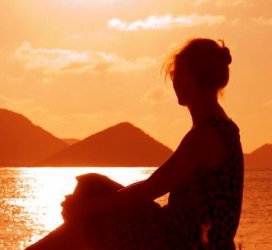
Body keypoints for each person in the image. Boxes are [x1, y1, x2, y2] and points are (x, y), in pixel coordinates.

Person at [32, 38, 244, 250]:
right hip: (185, 238)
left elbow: (150, 188)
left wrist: (86, 208)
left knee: (91, 199)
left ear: (190, 76)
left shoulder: (205, 136)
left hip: (183, 244)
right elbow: (149, 185)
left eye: (175, 73)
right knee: (95, 189)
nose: (173, 81)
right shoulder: (220, 128)